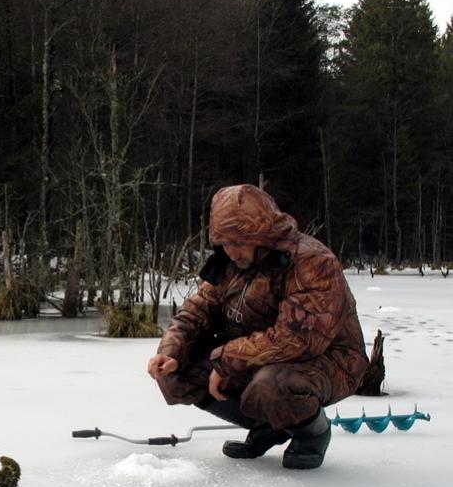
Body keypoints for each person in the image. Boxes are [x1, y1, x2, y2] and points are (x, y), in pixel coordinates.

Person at [148, 184, 368, 469]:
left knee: (271, 384)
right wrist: (171, 352)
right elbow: (196, 311)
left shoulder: (313, 262)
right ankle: (268, 427)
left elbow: (296, 339)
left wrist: (226, 360)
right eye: (225, 243)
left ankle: (312, 434)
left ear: (261, 235)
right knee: (177, 375)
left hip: (331, 360)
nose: (231, 252)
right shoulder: (230, 263)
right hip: (258, 355)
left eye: (239, 243)